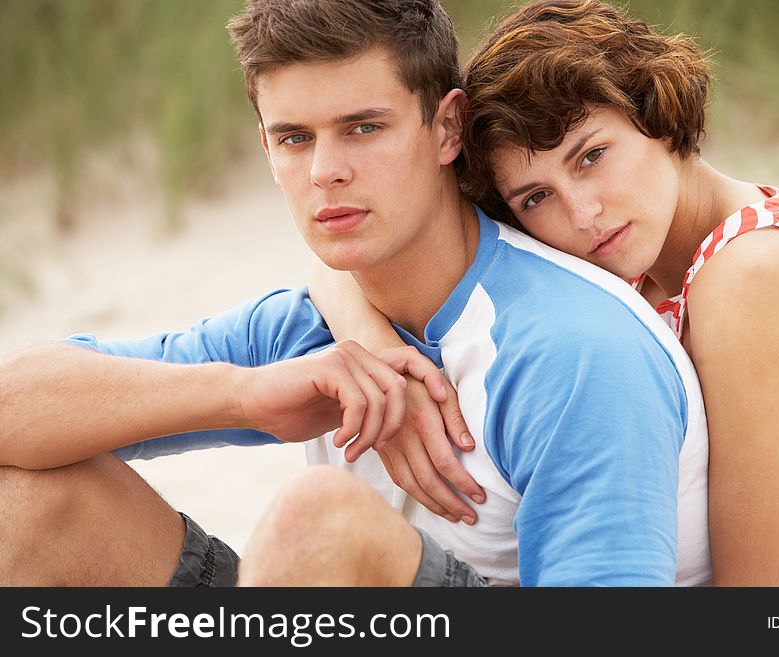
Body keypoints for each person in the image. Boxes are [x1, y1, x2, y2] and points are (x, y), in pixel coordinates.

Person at [0, 0, 709, 588]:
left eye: (363, 128)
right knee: (27, 505)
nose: (326, 172)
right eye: (294, 139)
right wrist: (245, 396)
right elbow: (15, 405)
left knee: (319, 523)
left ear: (447, 127)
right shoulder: (314, 325)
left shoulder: (571, 350)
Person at [320, 0, 779, 587]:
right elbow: (345, 266)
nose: (582, 213)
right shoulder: (640, 251)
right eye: (535, 197)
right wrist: (379, 349)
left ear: (656, 113)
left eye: (592, 156)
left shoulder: (755, 277)